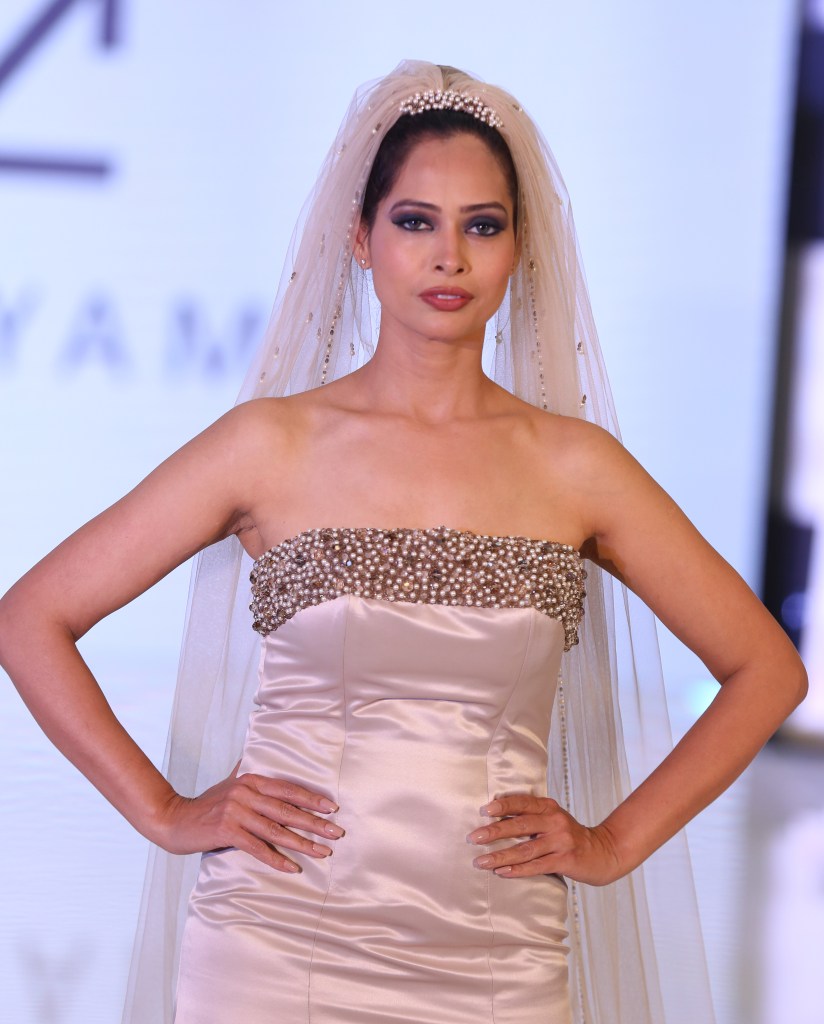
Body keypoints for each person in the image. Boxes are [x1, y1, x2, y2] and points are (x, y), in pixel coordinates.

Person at [0, 61, 806, 1024]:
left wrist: (613, 843)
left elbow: (767, 670)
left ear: (521, 247)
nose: (449, 257)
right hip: (275, 942)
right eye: (416, 221)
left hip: (498, 958)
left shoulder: (577, 467)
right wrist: (166, 811)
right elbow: (30, 618)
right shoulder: (270, 445)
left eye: (483, 225)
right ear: (361, 237)